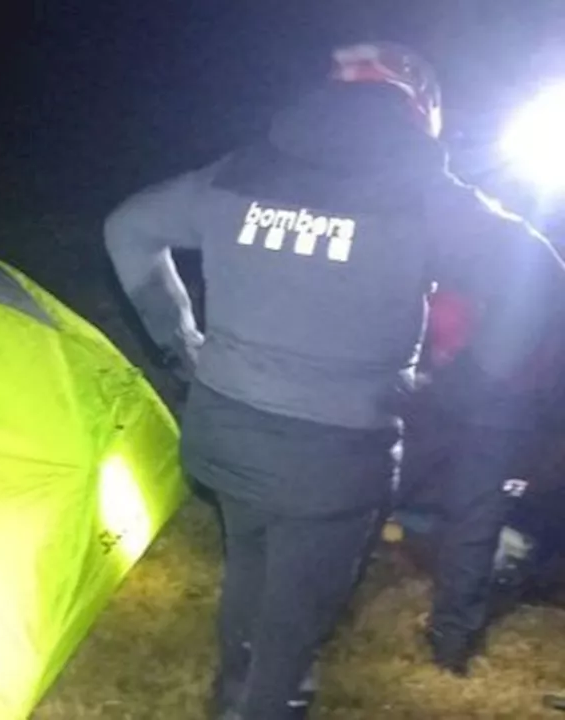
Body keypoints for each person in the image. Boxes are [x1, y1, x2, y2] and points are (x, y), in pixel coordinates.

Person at [103, 41, 565, 719]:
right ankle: (266, 702)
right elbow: (542, 279)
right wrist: (465, 389)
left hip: (223, 433)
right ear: (419, 107)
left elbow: (127, 227)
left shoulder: (244, 170)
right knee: (295, 625)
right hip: (332, 454)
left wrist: (183, 347)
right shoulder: (427, 196)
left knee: (252, 573)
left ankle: (234, 692)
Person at [397, 287, 565, 675]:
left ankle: (448, 640)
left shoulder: (464, 242)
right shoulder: (533, 256)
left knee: (461, 517)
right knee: (472, 521)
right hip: (493, 404)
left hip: (463, 399)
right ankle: (450, 643)